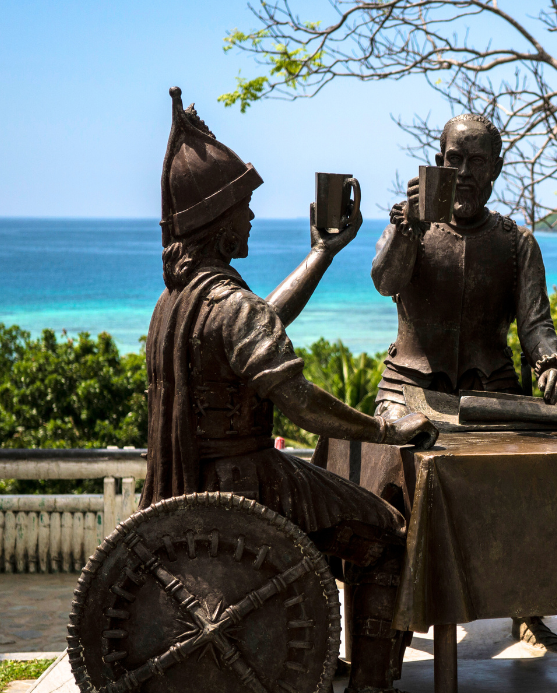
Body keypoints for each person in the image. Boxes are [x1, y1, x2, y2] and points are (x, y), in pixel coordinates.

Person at [143, 87, 438, 693]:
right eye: (244, 210)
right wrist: (384, 429)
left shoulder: (176, 302)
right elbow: (299, 400)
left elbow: (261, 322)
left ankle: (312, 658)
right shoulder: (231, 306)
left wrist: (322, 254)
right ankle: (371, 685)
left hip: (191, 484)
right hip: (250, 486)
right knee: (385, 535)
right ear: (220, 228)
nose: (252, 219)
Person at [369, 113, 557, 651]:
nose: (462, 172)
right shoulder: (409, 226)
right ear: (438, 163)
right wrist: (408, 229)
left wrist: (550, 363)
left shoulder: (516, 242)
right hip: (408, 387)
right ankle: (393, 615)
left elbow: (536, 326)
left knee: (527, 484)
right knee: (400, 485)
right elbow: (384, 280)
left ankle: (526, 605)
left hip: (491, 392)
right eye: (453, 160)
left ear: (496, 170)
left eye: (476, 161)